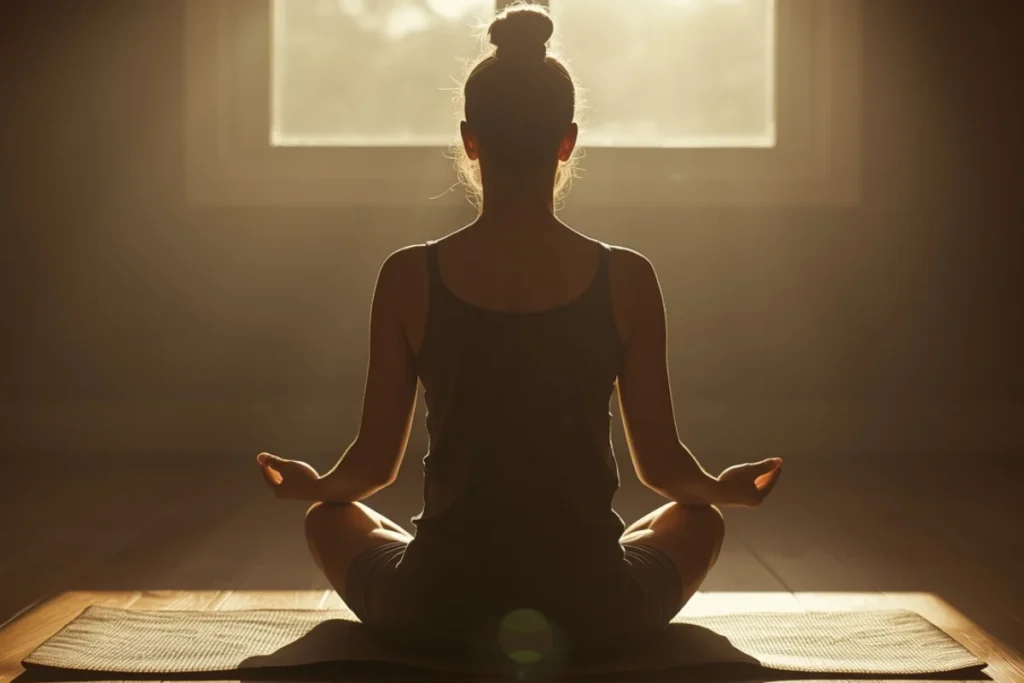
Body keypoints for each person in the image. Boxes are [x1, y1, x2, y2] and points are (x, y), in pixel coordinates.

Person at [257, 1, 781, 667]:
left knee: (327, 519)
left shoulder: (407, 276)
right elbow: (666, 471)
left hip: (436, 610)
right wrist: (727, 487)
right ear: (568, 140)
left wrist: (306, 483)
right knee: (698, 518)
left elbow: (366, 471)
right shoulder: (628, 278)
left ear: (470, 139)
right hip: (595, 612)